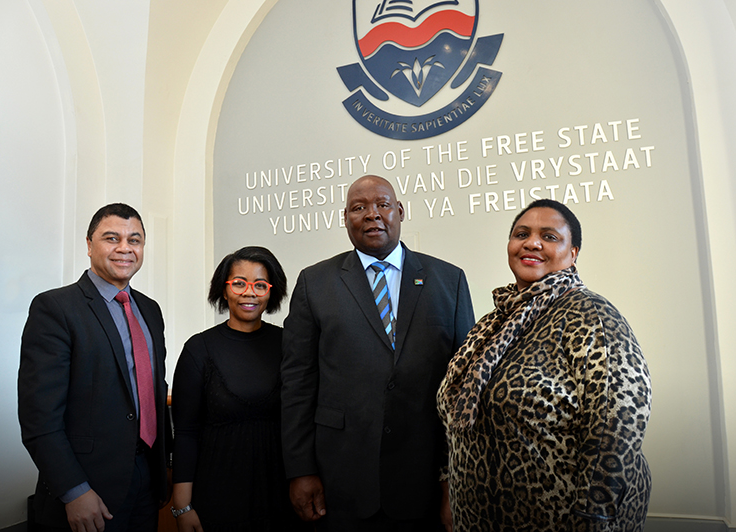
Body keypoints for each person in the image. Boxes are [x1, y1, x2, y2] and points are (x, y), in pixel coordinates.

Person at [438, 199, 652, 531]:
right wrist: (451, 494)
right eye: (521, 233)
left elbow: (618, 424)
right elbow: (458, 424)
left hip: (563, 520)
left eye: (549, 236)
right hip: (480, 518)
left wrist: (595, 515)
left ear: (574, 252)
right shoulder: (490, 324)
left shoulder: (592, 316)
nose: (532, 242)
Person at [281, 174, 475, 531]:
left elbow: (464, 389)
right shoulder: (315, 283)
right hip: (341, 478)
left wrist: (459, 478)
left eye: (382, 205)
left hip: (426, 477)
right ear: (345, 219)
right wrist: (300, 469)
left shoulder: (449, 280)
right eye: (359, 208)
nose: (372, 214)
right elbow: (297, 383)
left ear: (400, 211)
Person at [18, 203, 169, 532]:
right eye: (111, 238)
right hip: (88, 487)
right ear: (89, 245)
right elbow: (38, 416)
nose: (124, 248)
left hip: (147, 481)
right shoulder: (55, 308)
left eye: (135, 240)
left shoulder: (150, 310)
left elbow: (152, 389)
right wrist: (74, 491)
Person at [171, 246, 305, 531]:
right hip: (218, 495)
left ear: (271, 292)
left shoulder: (289, 344)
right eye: (239, 283)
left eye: (260, 285)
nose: (249, 292)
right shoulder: (199, 349)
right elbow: (185, 432)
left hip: (282, 492)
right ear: (224, 289)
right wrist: (182, 506)